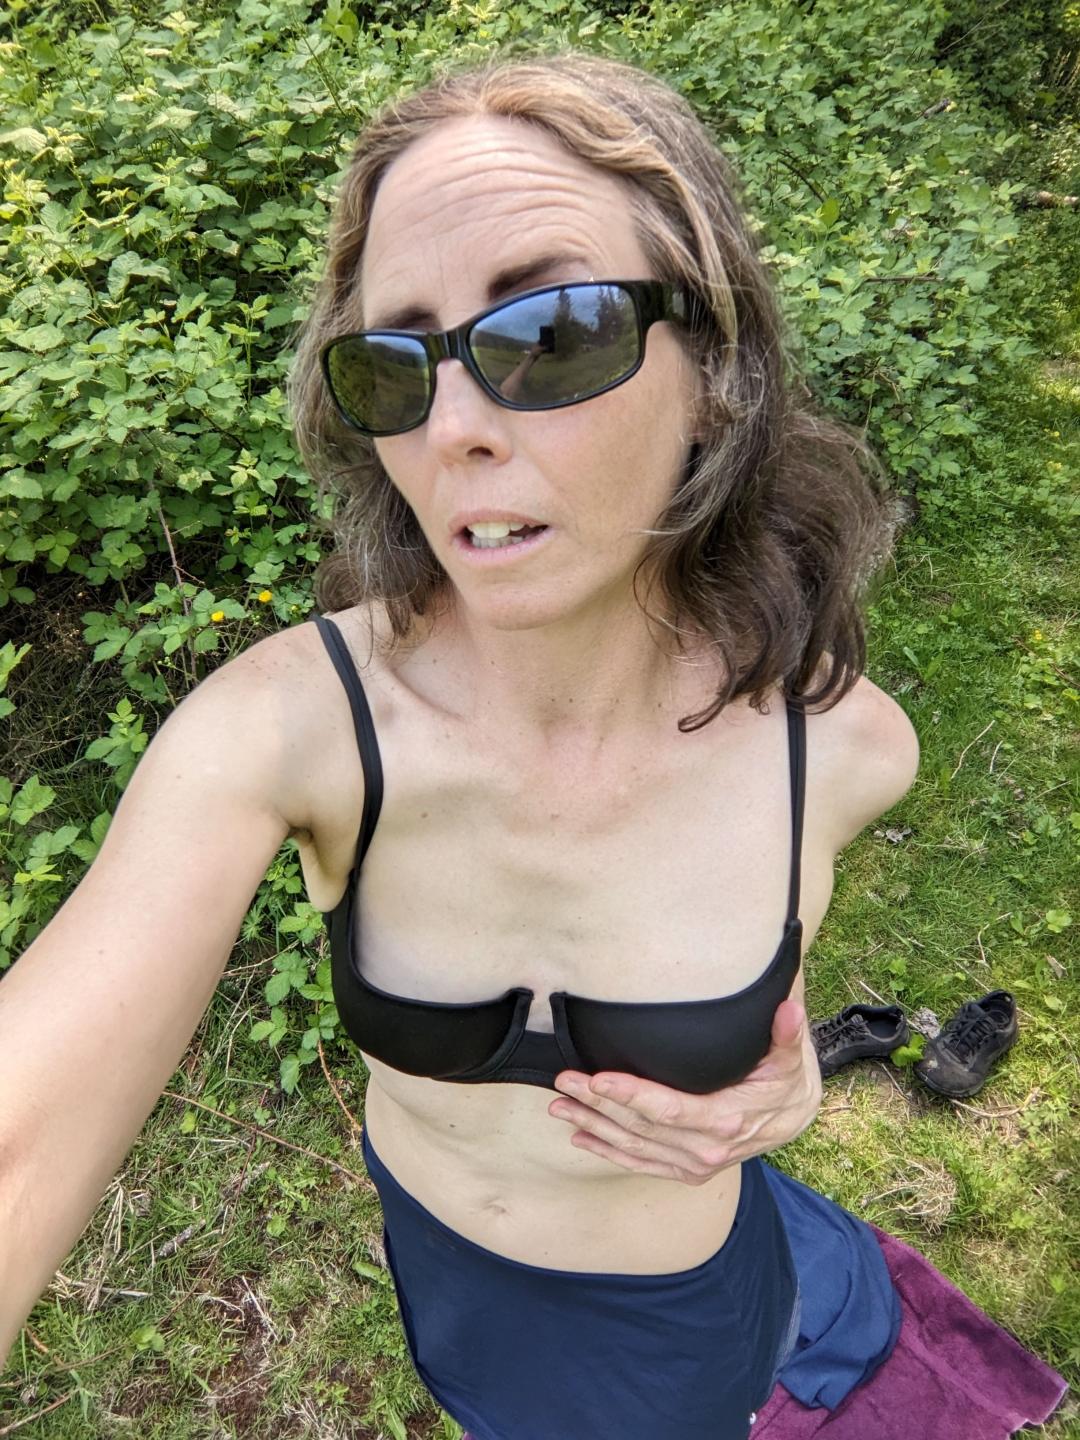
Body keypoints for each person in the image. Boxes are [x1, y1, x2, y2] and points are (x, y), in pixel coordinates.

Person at [0, 50, 921, 1440]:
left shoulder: (840, 751)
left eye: (555, 331)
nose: (455, 430)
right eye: (395, 365)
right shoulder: (292, 729)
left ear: (718, 369)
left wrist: (784, 1087)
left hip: (679, 1314)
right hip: (442, 1267)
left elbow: (764, 981)